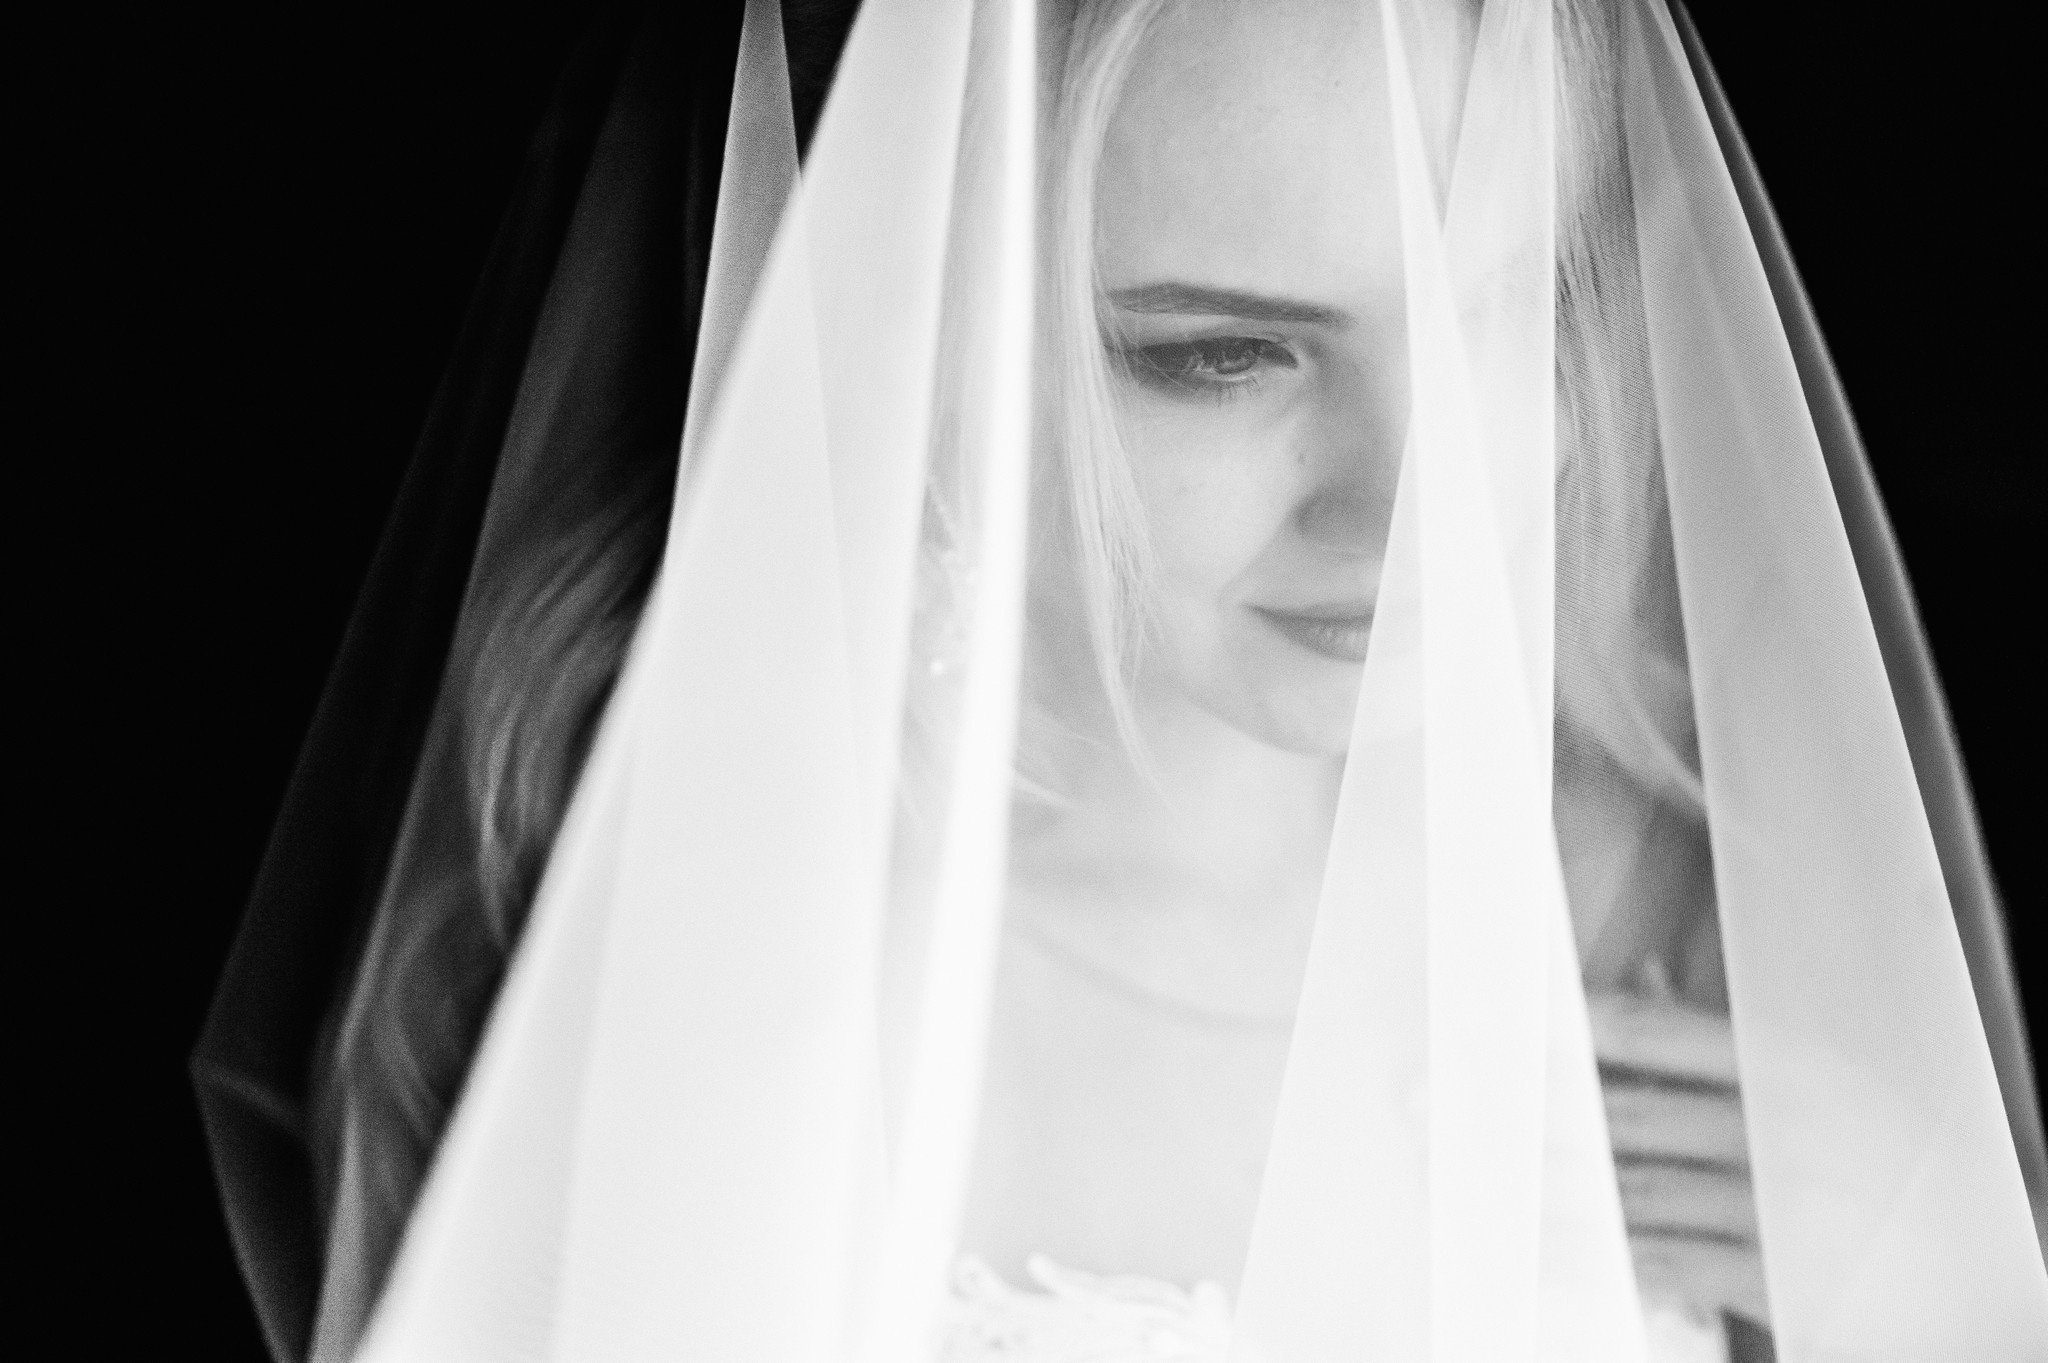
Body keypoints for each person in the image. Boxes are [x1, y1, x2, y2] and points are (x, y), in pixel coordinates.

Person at [195, 0, 2047, 1360]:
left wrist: (1927, 1298)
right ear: (912, 315)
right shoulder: (725, 953)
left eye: (1505, 304)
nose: (1423, 499)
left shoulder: (1713, 921)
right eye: (1225, 358)